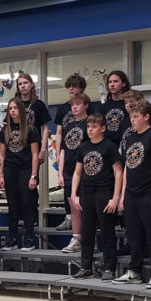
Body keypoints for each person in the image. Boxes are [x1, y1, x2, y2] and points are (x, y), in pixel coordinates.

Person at [113, 100, 151, 288]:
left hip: (149, 192)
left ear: (146, 117)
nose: (132, 120)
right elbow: (127, 167)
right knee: (133, 234)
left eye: (136, 117)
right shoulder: (131, 138)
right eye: (131, 117)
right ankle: (134, 271)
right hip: (132, 193)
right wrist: (122, 194)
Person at [71, 113, 123, 281]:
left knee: (107, 232)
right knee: (86, 233)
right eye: (88, 127)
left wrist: (115, 197)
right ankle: (85, 267)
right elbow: (77, 172)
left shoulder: (109, 147)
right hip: (86, 193)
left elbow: (118, 172)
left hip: (104, 192)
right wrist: (74, 194)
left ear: (103, 128)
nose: (90, 129)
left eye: (93, 127)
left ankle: (109, 267)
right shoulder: (83, 147)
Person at [0, 97, 40, 251]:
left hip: (26, 169)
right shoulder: (5, 130)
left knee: (27, 204)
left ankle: (29, 238)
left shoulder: (30, 129)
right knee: (13, 205)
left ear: (21, 110)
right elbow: (1, 155)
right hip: (10, 170)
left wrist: (34, 175)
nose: (13, 110)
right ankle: (12, 238)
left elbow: (35, 154)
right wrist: (1, 175)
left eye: (15, 108)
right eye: (10, 108)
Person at [53, 73, 89, 230]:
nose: (71, 89)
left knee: (82, 198)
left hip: (82, 160)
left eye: (74, 86)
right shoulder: (63, 109)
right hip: (67, 150)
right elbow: (59, 132)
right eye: (69, 86)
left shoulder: (89, 111)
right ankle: (69, 219)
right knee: (68, 190)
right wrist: (58, 152)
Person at [57, 93, 89, 253]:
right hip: (69, 172)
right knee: (73, 207)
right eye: (72, 105)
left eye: (78, 104)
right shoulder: (68, 126)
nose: (74, 107)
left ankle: (90, 239)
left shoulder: (89, 124)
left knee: (86, 207)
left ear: (86, 105)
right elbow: (63, 150)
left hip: (85, 172)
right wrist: (60, 173)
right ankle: (76, 238)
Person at [16, 72, 51, 163]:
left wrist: (43, 149)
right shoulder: (15, 104)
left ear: (31, 85)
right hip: (17, 147)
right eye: (20, 84)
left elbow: (46, 128)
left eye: (25, 83)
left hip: (34, 147)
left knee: (32, 175)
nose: (23, 86)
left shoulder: (39, 104)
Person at [101, 70, 131, 145]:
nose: (112, 85)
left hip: (125, 143)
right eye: (110, 82)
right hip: (107, 144)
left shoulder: (128, 104)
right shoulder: (104, 106)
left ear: (123, 84)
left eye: (115, 81)